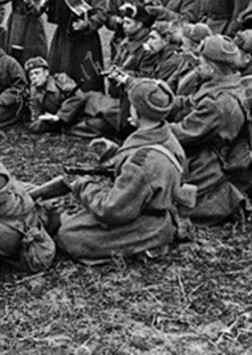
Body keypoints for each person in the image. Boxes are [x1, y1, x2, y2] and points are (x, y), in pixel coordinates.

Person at [56, 79, 188, 265]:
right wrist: (114, 153)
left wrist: (83, 186)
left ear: (137, 111)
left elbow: (112, 210)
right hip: (158, 209)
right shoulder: (167, 136)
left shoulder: (141, 163)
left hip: (145, 221)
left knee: (68, 236)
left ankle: (149, 244)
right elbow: (152, 166)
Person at [168, 35, 248, 225]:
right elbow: (189, 103)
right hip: (210, 151)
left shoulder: (216, 103)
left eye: (201, 62)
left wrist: (150, 123)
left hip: (205, 162)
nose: (198, 65)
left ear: (212, 67)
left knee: (163, 202)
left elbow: (183, 133)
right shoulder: (229, 84)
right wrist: (159, 100)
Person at [48, 0, 107, 92]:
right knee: (62, 70)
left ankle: (89, 105)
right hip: (64, 37)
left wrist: (87, 24)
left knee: (87, 75)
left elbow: (101, 14)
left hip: (85, 40)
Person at [25, 56, 85, 134]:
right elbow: (35, 113)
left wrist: (59, 116)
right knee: (35, 127)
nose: (33, 77)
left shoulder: (60, 80)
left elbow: (79, 96)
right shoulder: (34, 91)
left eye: (37, 73)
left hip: (82, 109)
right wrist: (44, 118)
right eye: (31, 75)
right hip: (60, 119)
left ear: (46, 73)